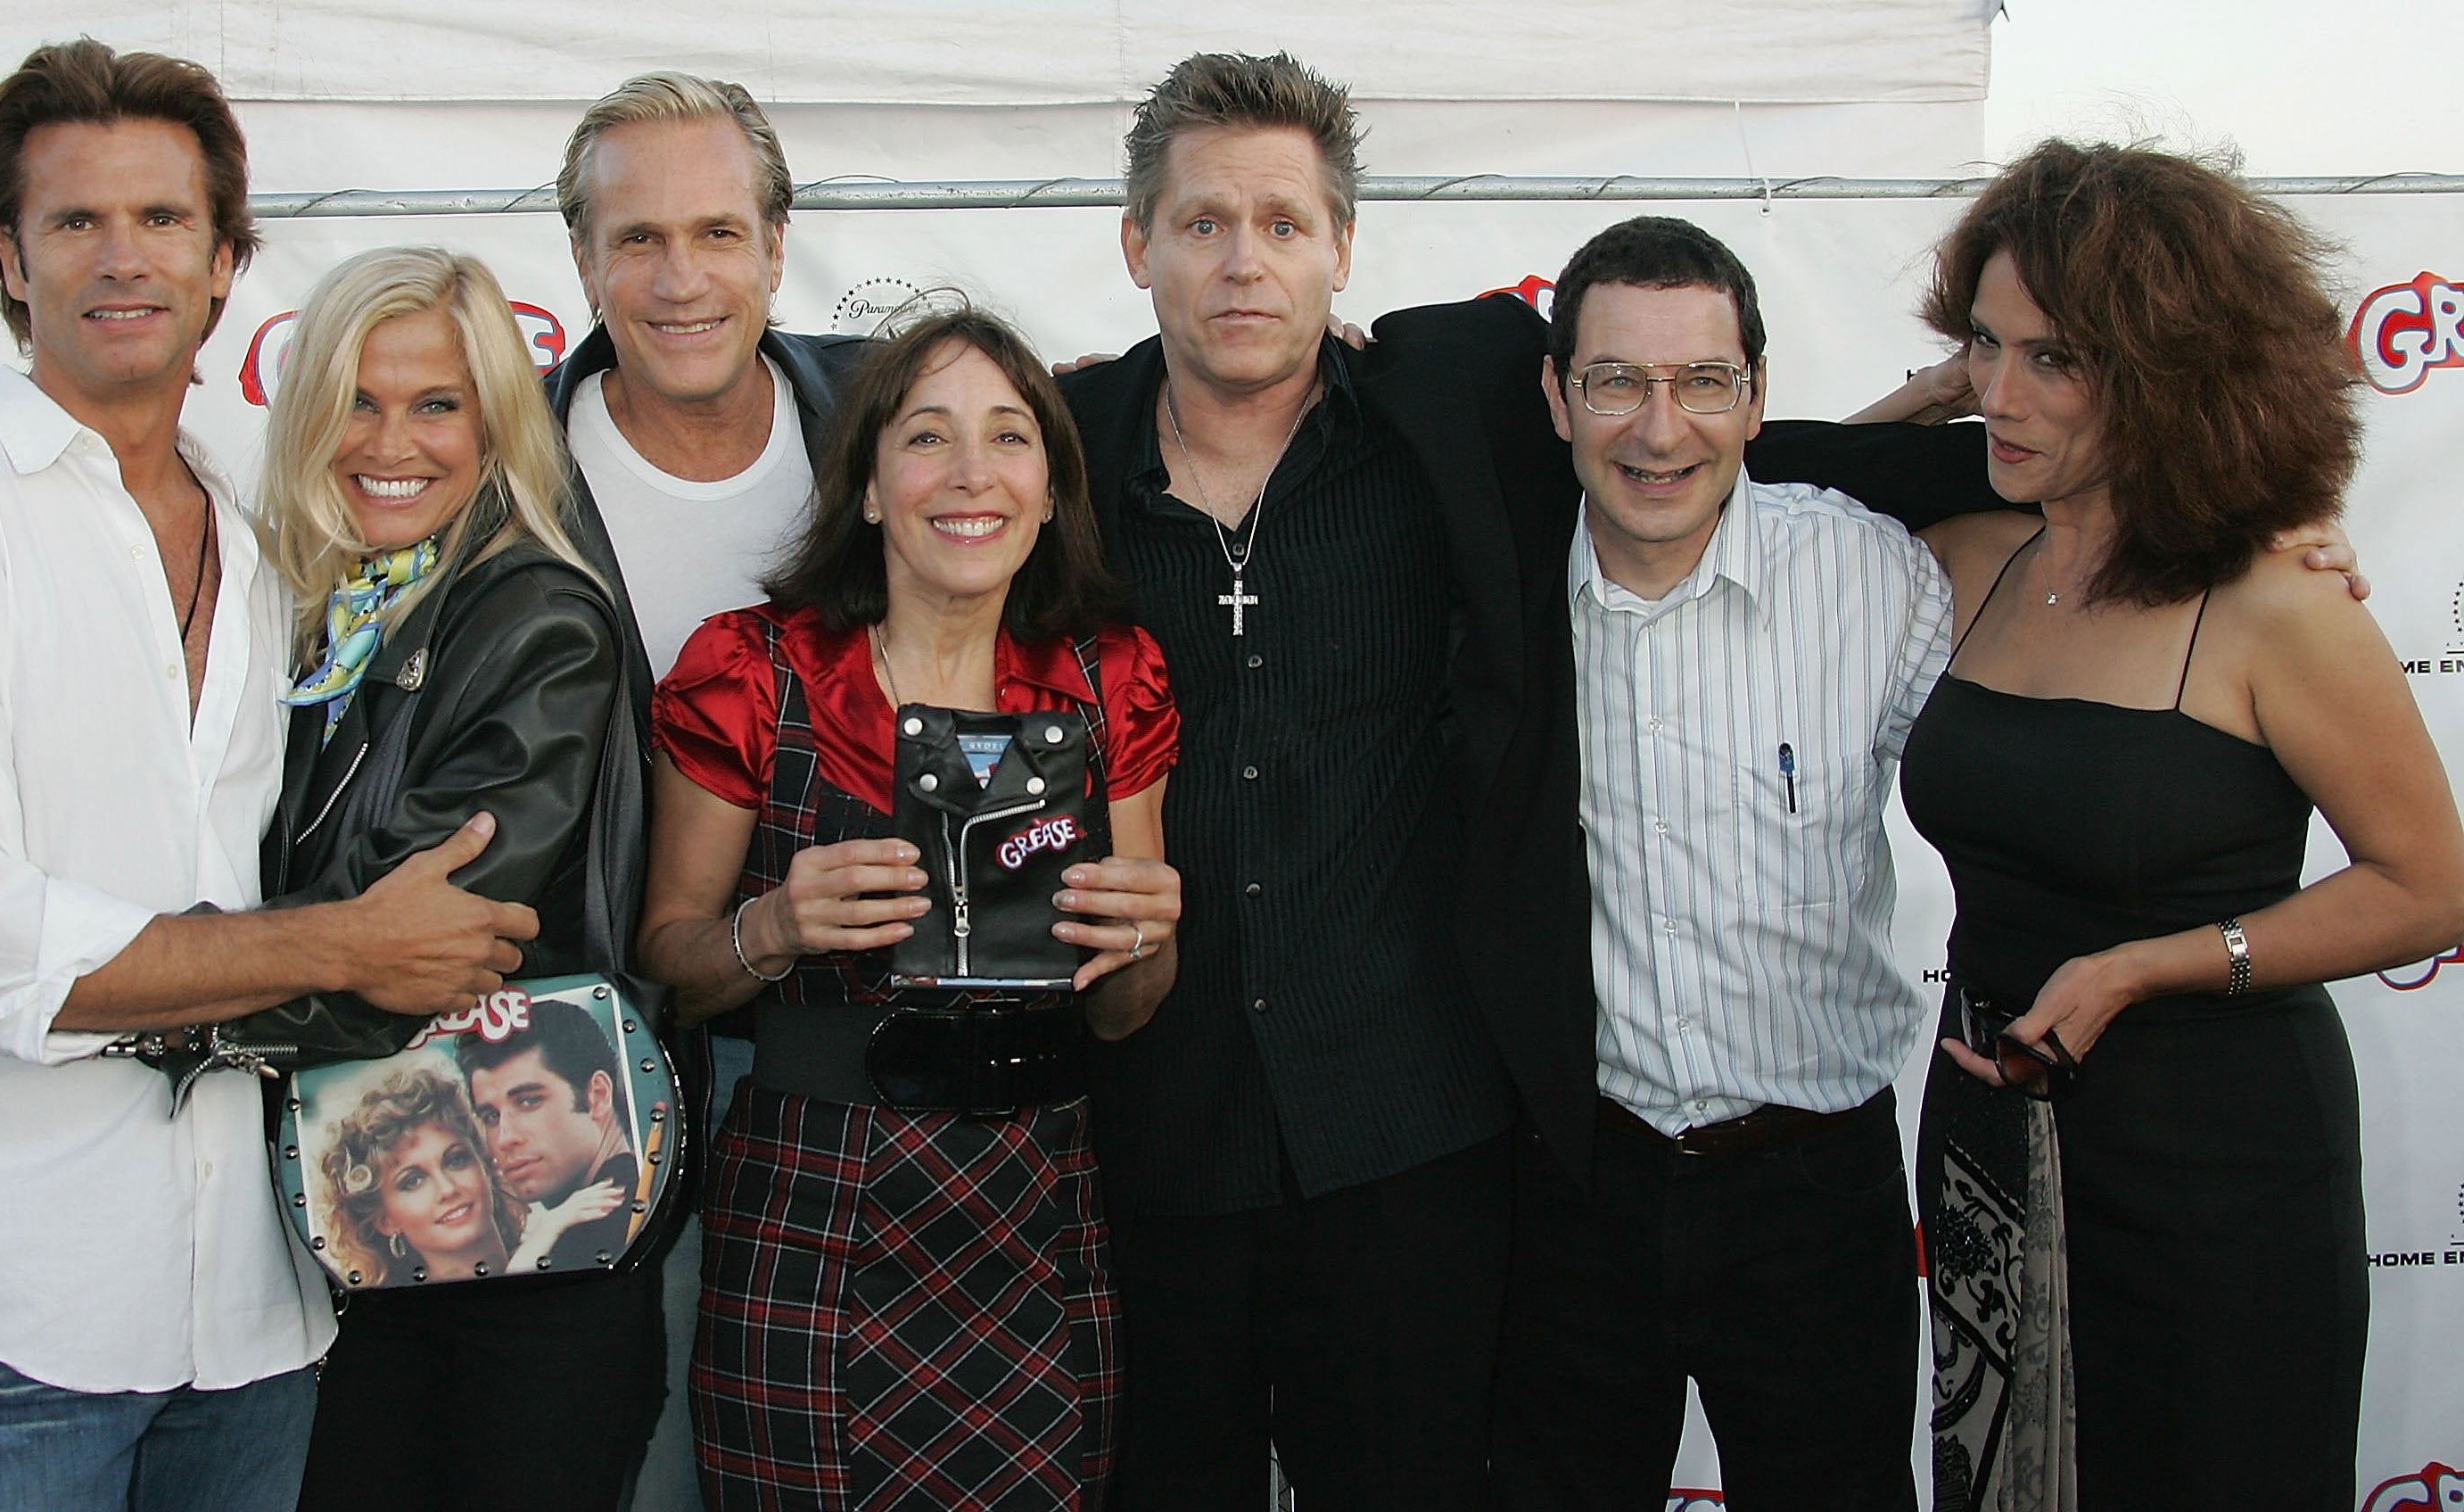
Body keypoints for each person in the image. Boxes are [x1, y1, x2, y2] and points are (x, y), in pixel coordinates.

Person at [1054, 54, 1989, 1508]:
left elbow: (1696, 445)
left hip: (1417, 1151)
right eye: (1203, 223)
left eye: (1286, 225)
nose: (1247, 262)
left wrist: (2092, 490)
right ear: (1135, 244)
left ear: (1343, 247)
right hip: (1153, 1152)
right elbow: (868, 426)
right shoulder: (1058, 460)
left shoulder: (1451, 416)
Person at [0, 42, 532, 1511]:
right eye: (73, 222)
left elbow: (26, 971)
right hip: (2, 1305)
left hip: (260, 1303)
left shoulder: (283, 550)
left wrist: (44, 994)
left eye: (163, 222)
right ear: (7, 258)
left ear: (225, 258)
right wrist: (348, 950)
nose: (119, 258)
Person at [1892, 140, 2464, 1508]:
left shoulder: (2278, 598)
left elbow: (2431, 888)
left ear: (2167, 371)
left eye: (2058, 358)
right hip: (1993, 1141)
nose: (2002, 395)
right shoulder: (1980, 543)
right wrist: (1947, 381)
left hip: (2222, 1170)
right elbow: (1776, 472)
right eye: (1987, 344)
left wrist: (2143, 963)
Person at [636, 305, 1183, 1508]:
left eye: (1008, 437)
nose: (971, 474)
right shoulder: (752, 670)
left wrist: (1149, 939)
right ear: (872, 487)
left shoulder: (1108, 675)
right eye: (929, 438)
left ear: (1050, 488)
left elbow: (1130, 1011)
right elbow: (663, 967)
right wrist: (767, 929)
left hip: (1035, 1211)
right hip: (811, 1201)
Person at [1488, 217, 1946, 1511]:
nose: (1659, 426)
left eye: (1702, 381)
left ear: (1757, 395)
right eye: (1617, 380)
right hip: (1576, 1189)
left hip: (1819, 1194)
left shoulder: (1875, 575)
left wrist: (2254, 567)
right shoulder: (1498, 594)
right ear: (1556, 394)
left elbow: (2040, 705)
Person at [227, 244, 669, 1512]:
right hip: (366, 1225)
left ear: (493, 424)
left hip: (523, 1244)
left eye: (435, 404)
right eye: (358, 400)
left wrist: (119, 1002)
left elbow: (412, 948)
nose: (391, 440)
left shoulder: (532, 619)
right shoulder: (312, 617)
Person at [543, 74, 870, 1505]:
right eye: (638, 239)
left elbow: (1100, 446)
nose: (682, 280)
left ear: (778, 245)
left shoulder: (887, 415)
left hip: (865, 1074)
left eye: (719, 233)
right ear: (580, 259)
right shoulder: (500, 476)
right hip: (606, 1077)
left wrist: (1326, 368)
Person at [457, 1000, 644, 1269]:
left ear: (598, 1095)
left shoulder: (603, 1224)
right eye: (491, 1117)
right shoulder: (571, 1224)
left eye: (528, 1102)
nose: (504, 1138)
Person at [320, 1066, 519, 1286]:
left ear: (484, 1164)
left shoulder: (555, 1247)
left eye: (456, 1160)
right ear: (385, 1220)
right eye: (412, 1181)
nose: (448, 1189)